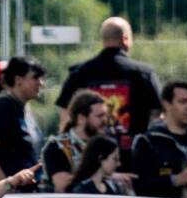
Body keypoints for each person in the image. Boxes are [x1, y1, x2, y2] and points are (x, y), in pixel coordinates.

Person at [53, 16, 159, 144]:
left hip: (89, 154)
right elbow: (157, 114)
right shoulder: (143, 73)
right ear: (125, 39)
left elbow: (65, 114)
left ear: (104, 40)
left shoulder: (79, 73)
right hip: (133, 153)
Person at [0, 57, 47, 184]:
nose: (41, 83)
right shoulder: (4, 107)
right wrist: (7, 187)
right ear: (18, 80)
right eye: (35, 78)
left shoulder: (23, 108)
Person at [40, 93, 129, 194]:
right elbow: (61, 184)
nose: (105, 121)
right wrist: (106, 175)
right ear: (81, 118)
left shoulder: (106, 145)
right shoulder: (57, 146)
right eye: (99, 116)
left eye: (105, 116)